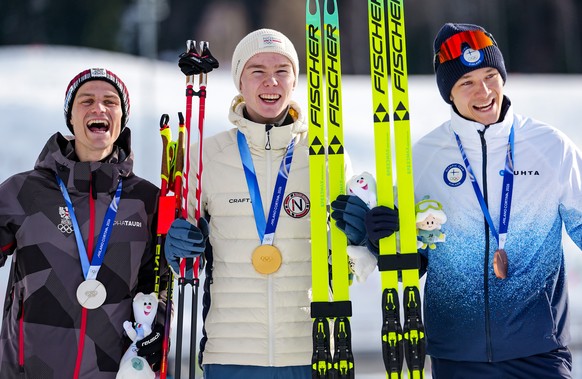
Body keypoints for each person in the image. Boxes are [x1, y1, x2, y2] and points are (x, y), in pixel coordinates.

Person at [332, 23, 582, 378]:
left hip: (539, 354)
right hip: (456, 358)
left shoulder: (550, 147)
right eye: (466, 82)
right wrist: (380, 237)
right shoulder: (423, 158)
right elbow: (414, 259)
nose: (483, 91)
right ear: (449, 93)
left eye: (491, 75)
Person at [164, 28, 359, 379]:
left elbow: (350, 259)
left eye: (282, 71)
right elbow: (180, 256)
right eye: (258, 72)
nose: (271, 82)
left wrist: (359, 234)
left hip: (309, 347)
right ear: (240, 81)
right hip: (230, 351)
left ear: (295, 81)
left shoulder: (324, 153)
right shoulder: (205, 155)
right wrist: (173, 245)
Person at [0, 68, 168, 378]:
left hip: (113, 371)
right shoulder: (25, 192)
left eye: (110, 101)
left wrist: (159, 329)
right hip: (30, 370)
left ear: (122, 118)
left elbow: (159, 280)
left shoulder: (145, 200)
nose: (99, 108)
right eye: (86, 100)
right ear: (71, 119)